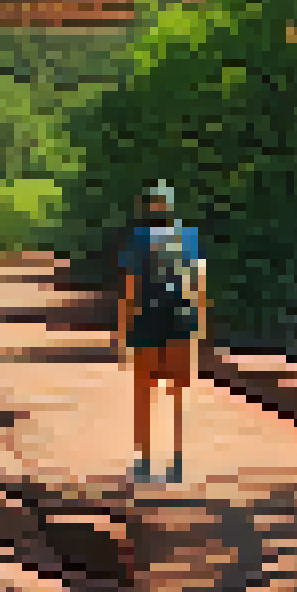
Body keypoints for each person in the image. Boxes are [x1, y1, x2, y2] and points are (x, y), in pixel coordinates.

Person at [115, 181, 206, 483]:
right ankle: (177, 460)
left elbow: (129, 290)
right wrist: (200, 326)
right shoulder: (188, 236)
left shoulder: (139, 238)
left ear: (149, 206)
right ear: (170, 206)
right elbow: (199, 284)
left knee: (143, 391)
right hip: (180, 319)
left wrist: (122, 332)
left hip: (147, 319)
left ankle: (144, 461)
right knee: (177, 392)